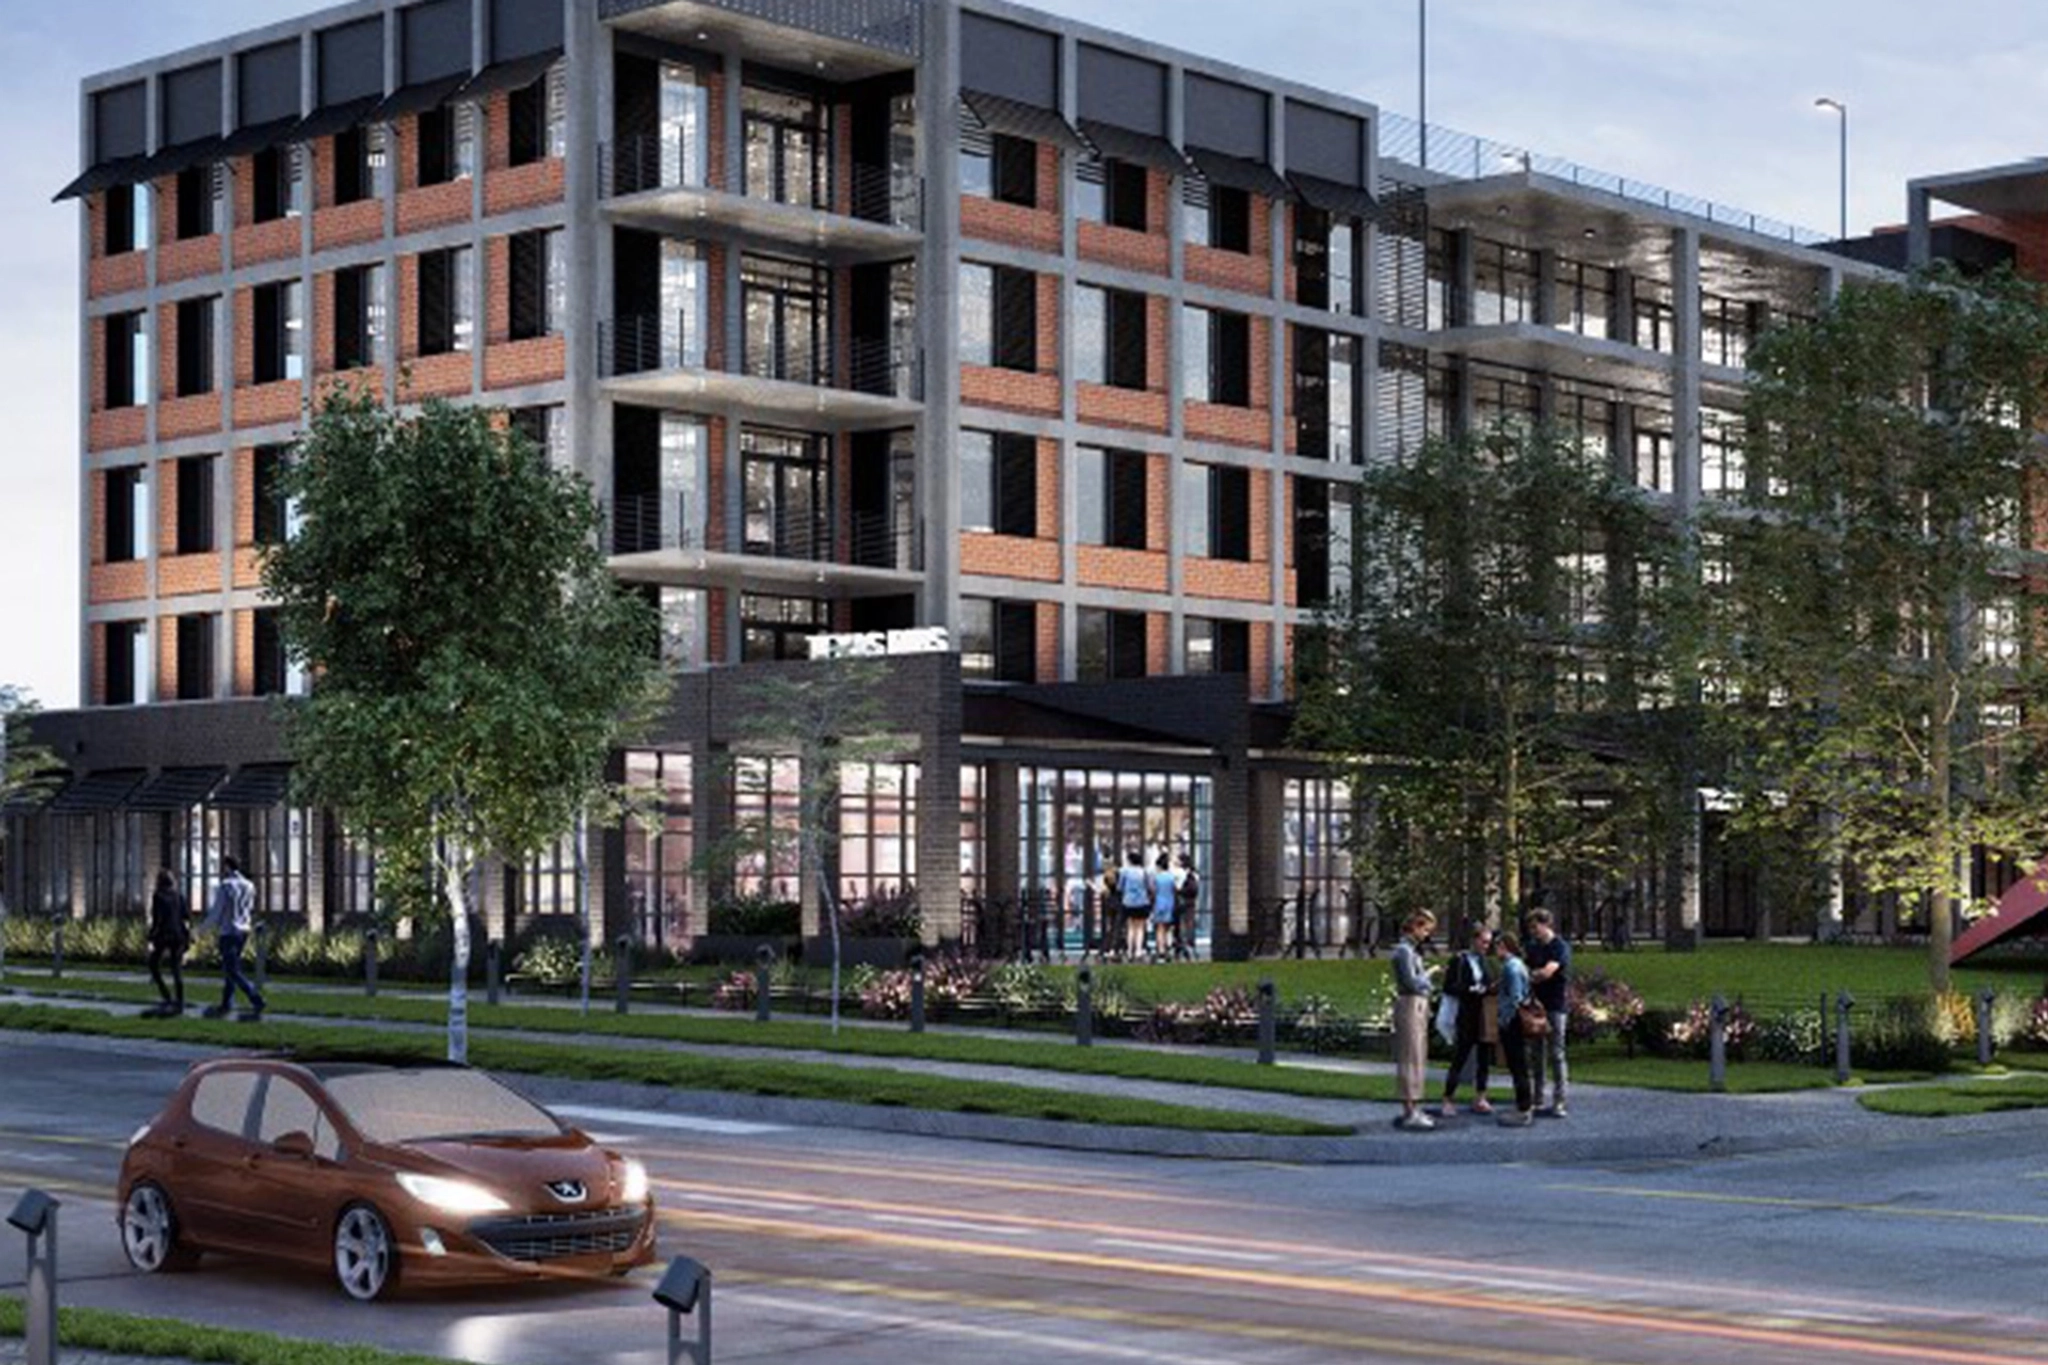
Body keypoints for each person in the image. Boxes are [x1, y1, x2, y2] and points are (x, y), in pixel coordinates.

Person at [1438, 920, 1495, 1117]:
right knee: (1460, 1057)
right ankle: (1448, 1098)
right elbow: (1448, 987)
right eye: (1484, 942)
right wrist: (1470, 990)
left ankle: (1480, 1096)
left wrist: (1488, 988)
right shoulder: (1460, 961)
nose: (1487, 946)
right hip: (1466, 1014)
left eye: (1489, 943)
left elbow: (1488, 982)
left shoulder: (1484, 961)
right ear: (1474, 940)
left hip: (1483, 1014)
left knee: (1484, 1058)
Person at [202, 856, 267, 1022]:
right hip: (243, 931)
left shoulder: (226, 886)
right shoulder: (249, 886)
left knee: (232, 970)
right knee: (231, 967)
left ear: (227, 867)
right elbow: (249, 908)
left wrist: (201, 930)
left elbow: (217, 912)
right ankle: (226, 1002)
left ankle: (255, 997)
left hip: (228, 931)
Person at [1389, 910, 1438, 1130]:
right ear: (1416, 926)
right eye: (1425, 929)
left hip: (1416, 1004)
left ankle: (1414, 1107)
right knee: (1411, 1056)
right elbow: (1411, 983)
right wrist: (1429, 975)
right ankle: (1410, 1109)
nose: (1426, 935)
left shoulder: (1409, 951)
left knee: (1417, 1056)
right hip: (1410, 1004)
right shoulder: (1404, 951)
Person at [1524, 907, 1573, 1117]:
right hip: (1536, 1005)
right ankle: (1537, 1099)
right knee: (1537, 1053)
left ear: (1546, 924)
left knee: (1556, 1053)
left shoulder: (1559, 947)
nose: (1533, 931)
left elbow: (1547, 972)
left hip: (1555, 1004)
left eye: (1536, 926)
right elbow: (1526, 971)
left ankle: (1559, 1100)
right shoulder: (1532, 948)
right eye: (1531, 928)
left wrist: (1533, 975)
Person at [1493, 931, 1537, 1126]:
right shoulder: (1518, 965)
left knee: (1517, 1066)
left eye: (1497, 946)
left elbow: (1515, 998)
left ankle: (1524, 1108)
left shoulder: (1511, 968)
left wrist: (1505, 1019)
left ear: (1504, 946)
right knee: (1519, 1065)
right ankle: (1523, 1105)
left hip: (1513, 1021)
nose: (1495, 951)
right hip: (1515, 1019)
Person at [143, 869, 190, 1017]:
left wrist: (151, 936)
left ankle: (167, 996)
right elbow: (186, 917)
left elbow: (158, 918)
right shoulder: (179, 896)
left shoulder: (159, 896)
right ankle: (180, 1000)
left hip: (164, 934)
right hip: (179, 935)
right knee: (176, 969)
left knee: (153, 964)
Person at [1114, 849, 1152, 961]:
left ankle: (1130, 950)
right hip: (1142, 901)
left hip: (1128, 902)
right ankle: (1138, 951)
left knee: (1130, 927)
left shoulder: (1124, 872)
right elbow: (1148, 886)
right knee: (1140, 927)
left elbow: (1119, 887)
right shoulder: (1144, 872)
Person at [1171, 854, 1200, 961]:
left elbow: (1178, 887)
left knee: (1181, 925)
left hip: (1182, 902)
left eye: (1178, 860)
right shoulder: (1194, 874)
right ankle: (1188, 945)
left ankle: (1182, 946)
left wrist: (1178, 890)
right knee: (1188, 924)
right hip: (1190, 903)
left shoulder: (1182, 873)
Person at [1148, 852, 1176, 960]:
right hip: (1169, 904)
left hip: (1159, 904)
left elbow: (1153, 891)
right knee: (1167, 928)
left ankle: (1161, 950)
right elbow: (1174, 890)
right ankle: (1167, 947)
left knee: (1159, 928)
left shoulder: (1157, 878)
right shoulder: (1171, 877)